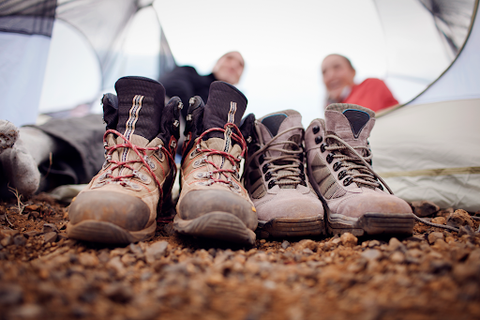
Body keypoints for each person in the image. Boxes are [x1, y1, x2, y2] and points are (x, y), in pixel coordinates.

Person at [0, 51, 245, 200]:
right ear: (216, 62)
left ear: (240, 77)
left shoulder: (235, 111)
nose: (233, 65)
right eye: (229, 59)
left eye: (240, 65)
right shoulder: (190, 74)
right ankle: (30, 143)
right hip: (155, 118)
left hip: (186, 146)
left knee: (115, 162)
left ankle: (27, 178)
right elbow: (172, 91)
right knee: (109, 132)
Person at [321, 54, 399, 112]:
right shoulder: (333, 108)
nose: (331, 75)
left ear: (353, 72)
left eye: (337, 67)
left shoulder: (372, 84)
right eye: (324, 72)